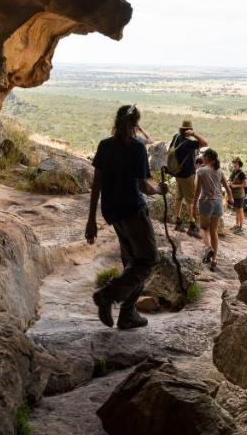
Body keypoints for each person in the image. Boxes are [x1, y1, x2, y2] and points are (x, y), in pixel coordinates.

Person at [86, 105, 164, 330]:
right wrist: (159, 190)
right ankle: (108, 295)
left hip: (112, 212)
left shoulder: (105, 145)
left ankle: (128, 314)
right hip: (132, 211)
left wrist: (91, 220)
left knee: (132, 263)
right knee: (148, 260)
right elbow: (143, 186)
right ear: (136, 125)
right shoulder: (137, 148)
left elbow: (97, 183)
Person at [167, 120, 208, 238]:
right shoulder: (188, 143)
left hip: (177, 173)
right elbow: (205, 143)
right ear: (189, 130)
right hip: (187, 175)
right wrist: (194, 134)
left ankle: (178, 222)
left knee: (179, 198)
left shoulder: (176, 137)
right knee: (190, 201)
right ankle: (192, 225)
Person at [194, 148, 233, 271]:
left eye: (203, 156)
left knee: (203, 228)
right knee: (214, 231)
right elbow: (227, 189)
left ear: (207, 158)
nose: (202, 158)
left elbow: (197, 190)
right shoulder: (220, 171)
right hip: (218, 203)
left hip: (206, 202)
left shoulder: (201, 171)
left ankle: (208, 248)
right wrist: (230, 198)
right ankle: (214, 260)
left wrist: (194, 204)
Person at [229, 157, 247, 234]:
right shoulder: (234, 172)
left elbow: (245, 185)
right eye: (234, 163)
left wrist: (235, 186)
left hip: (240, 195)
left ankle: (241, 228)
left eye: (236, 163)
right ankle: (237, 225)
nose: (234, 165)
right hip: (234, 195)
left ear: (239, 165)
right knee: (237, 210)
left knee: (240, 211)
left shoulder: (241, 173)